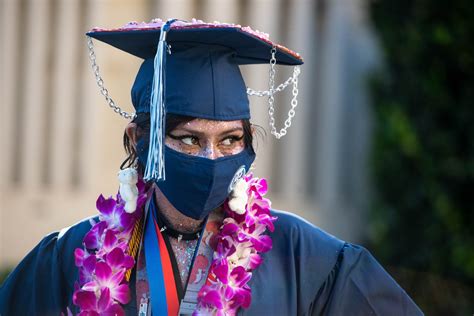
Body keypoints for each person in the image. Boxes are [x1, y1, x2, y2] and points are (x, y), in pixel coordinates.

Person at [0, 19, 423, 316]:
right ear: (138, 141)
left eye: (230, 140)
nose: (211, 159)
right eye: (188, 139)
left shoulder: (306, 258)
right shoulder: (69, 259)